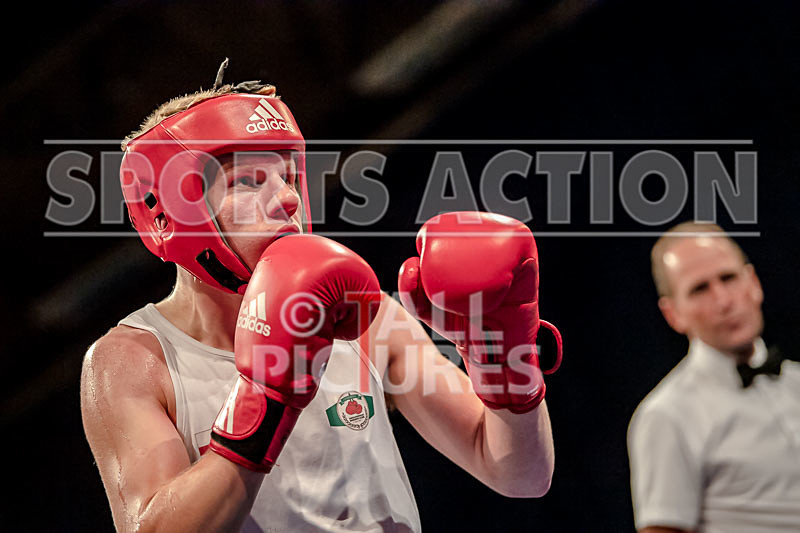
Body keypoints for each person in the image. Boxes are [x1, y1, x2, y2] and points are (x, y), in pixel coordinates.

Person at [80, 64, 562, 532]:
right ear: (169, 214)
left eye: (288, 176)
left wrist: (501, 357)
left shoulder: (370, 321)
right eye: (248, 181)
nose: (287, 199)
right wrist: (265, 397)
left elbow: (520, 475)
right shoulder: (133, 360)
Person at [627, 221, 800, 533]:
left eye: (728, 278)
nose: (723, 301)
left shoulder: (797, 382)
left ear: (753, 282)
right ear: (673, 314)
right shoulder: (667, 415)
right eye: (699, 289)